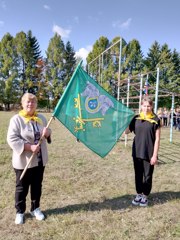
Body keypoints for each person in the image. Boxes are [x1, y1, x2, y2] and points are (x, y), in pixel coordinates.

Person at [7, 93, 51, 224]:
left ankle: (35, 208)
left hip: (40, 159)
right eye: (28, 102)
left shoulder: (41, 118)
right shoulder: (16, 119)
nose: (30, 104)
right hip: (23, 161)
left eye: (33, 102)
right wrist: (29, 147)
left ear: (36, 104)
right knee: (21, 187)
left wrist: (48, 133)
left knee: (37, 185)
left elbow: (48, 132)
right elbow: (12, 139)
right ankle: (20, 211)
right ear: (23, 103)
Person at [125, 96, 161, 207]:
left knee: (148, 175)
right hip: (137, 151)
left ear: (152, 106)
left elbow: (158, 139)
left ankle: (145, 195)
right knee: (138, 174)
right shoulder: (136, 118)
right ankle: (139, 194)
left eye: (148, 106)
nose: (146, 108)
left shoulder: (156, 120)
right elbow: (126, 132)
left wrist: (154, 155)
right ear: (141, 106)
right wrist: (126, 121)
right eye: (144, 106)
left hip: (149, 153)